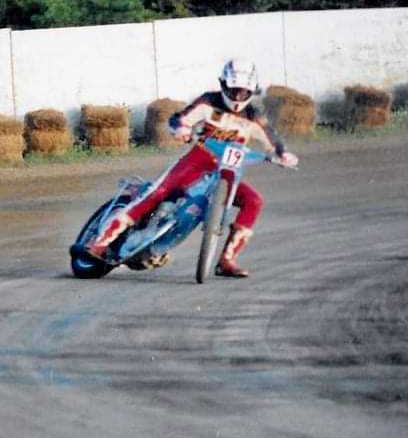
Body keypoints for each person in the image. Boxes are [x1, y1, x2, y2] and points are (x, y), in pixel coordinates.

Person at [84, 59, 298, 277]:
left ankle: (227, 259)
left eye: (244, 93)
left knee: (254, 200)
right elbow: (179, 119)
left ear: (252, 92)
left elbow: (273, 140)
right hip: (197, 160)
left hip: (228, 170)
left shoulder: (254, 116)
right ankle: (100, 242)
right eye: (233, 91)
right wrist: (182, 129)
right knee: (156, 193)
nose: (237, 97)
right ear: (223, 85)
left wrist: (283, 155)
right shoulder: (208, 102)